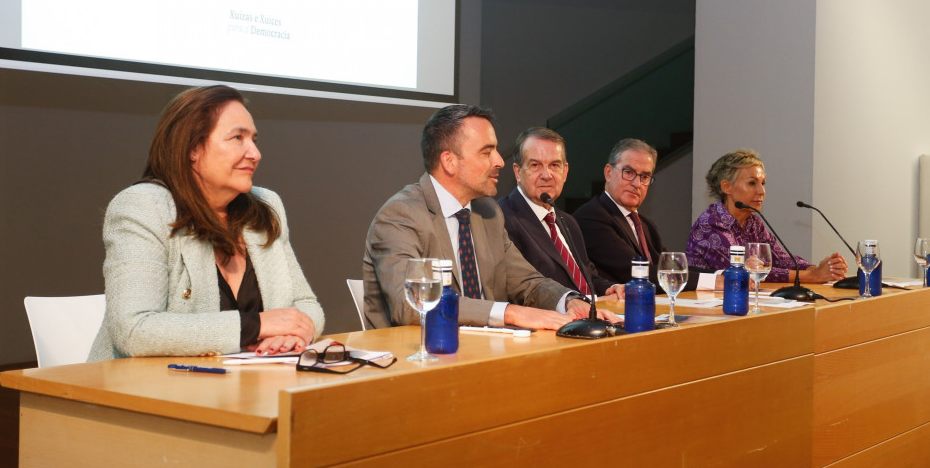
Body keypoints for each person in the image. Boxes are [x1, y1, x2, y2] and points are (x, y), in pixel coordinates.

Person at [88, 86, 324, 361]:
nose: (255, 153)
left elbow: (306, 306)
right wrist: (257, 326)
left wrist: (292, 333)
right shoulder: (144, 207)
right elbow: (135, 331)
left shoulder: (266, 206)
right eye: (238, 137)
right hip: (147, 391)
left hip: (251, 387)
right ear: (193, 148)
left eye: (254, 139)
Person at [362, 105, 617, 330]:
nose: (499, 161)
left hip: (485, 354)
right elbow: (409, 305)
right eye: (487, 152)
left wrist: (570, 301)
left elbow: (527, 282)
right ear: (449, 161)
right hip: (419, 365)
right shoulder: (400, 215)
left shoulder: (488, 213)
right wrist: (510, 313)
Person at [686, 149, 846, 284]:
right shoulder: (710, 225)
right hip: (709, 308)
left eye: (763, 183)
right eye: (752, 183)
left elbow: (781, 259)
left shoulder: (753, 222)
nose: (761, 191)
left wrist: (816, 269)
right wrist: (812, 276)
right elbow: (744, 271)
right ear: (727, 187)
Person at [499, 127, 624, 298]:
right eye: (535, 165)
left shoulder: (568, 222)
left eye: (554, 165)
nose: (546, 175)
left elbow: (587, 279)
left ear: (565, 172)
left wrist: (610, 288)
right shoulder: (503, 219)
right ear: (517, 172)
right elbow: (524, 290)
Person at [576, 138, 709, 291]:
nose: (636, 184)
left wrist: (720, 276)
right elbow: (636, 272)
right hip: (615, 309)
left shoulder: (645, 224)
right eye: (628, 172)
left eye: (644, 177)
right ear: (608, 172)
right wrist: (713, 282)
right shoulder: (591, 216)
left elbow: (669, 267)